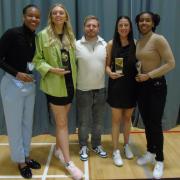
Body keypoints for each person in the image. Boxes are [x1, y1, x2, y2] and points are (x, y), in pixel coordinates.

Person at [33, 4, 83, 180]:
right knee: (62, 124)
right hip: (55, 86)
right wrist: (53, 70)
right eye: (55, 13)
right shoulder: (42, 35)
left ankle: (58, 149)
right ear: (51, 17)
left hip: (70, 84)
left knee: (62, 121)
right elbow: (37, 60)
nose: (58, 15)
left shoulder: (70, 34)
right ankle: (69, 164)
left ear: (66, 16)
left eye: (61, 12)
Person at [0, 4, 41, 179]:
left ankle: (26, 155)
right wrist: (16, 73)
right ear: (24, 17)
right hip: (12, 84)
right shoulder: (11, 34)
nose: (34, 19)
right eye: (31, 16)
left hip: (29, 85)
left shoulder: (36, 37)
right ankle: (20, 161)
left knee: (26, 123)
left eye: (37, 17)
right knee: (14, 125)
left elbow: (32, 61)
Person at [135, 11, 175, 179]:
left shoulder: (158, 39)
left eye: (147, 20)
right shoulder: (139, 41)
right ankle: (150, 151)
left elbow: (171, 63)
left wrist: (149, 75)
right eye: (141, 20)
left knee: (155, 123)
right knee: (147, 122)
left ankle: (159, 160)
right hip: (142, 86)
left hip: (156, 86)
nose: (144, 23)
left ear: (153, 23)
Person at [106, 16, 137, 167]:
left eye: (126, 25)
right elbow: (106, 65)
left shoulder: (136, 44)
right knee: (116, 120)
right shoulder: (111, 44)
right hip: (116, 87)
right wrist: (109, 73)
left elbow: (139, 64)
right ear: (117, 28)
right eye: (121, 25)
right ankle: (116, 150)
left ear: (130, 28)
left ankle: (126, 145)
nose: (123, 27)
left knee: (127, 119)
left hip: (131, 87)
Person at [76, 15, 107, 161]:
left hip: (101, 90)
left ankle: (96, 144)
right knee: (83, 122)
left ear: (98, 28)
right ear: (84, 27)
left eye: (94, 26)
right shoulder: (76, 45)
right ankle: (83, 145)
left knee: (99, 121)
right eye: (88, 25)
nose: (91, 28)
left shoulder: (106, 45)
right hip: (82, 90)